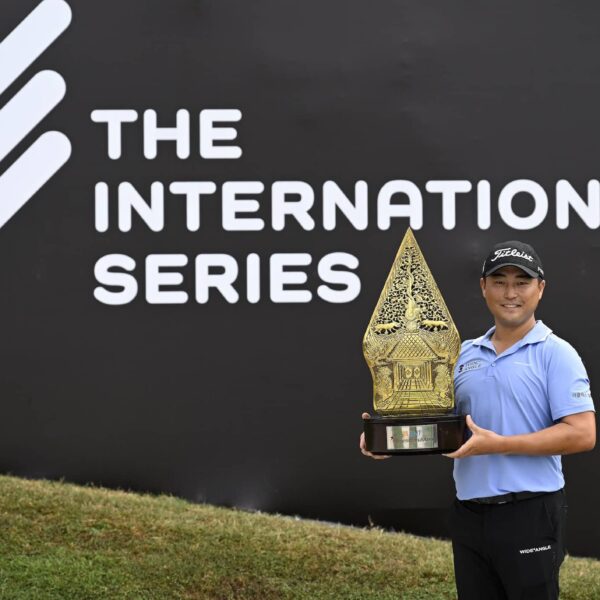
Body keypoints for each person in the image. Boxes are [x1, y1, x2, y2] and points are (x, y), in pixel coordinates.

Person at [359, 240, 596, 599]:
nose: (510, 292)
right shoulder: (461, 354)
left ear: (540, 288)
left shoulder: (556, 353)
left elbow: (582, 434)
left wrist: (499, 445)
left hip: (529, 512)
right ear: (484, 287)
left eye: (522, 282)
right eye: (499, 281)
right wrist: (391, 437)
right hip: (469, 515)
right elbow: (442, 424)